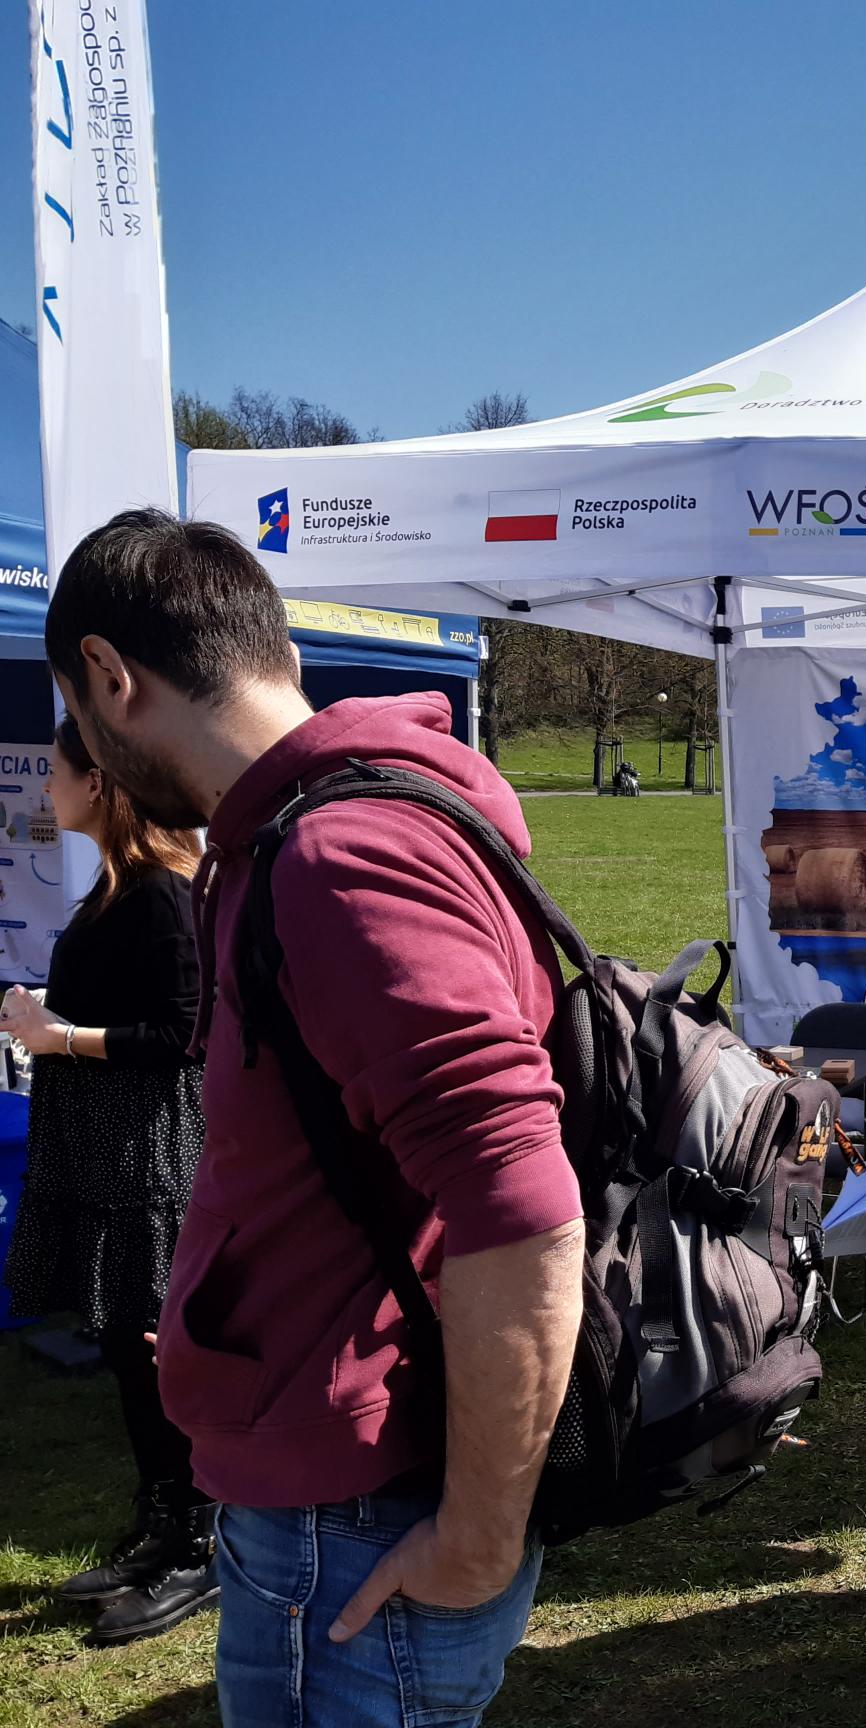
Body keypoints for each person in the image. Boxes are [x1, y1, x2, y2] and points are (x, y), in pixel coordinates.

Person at [44, 508, 584, 1727]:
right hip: (344, 1487)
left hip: (354, 1531)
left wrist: (478, 1541)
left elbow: (523, 1213)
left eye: (74, 720)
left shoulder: (339, 856)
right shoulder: (312, 831)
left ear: (108, 677)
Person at [0, 716, 210, 1644]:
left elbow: (184, 1037)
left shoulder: (166, 891)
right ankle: (163, 1524)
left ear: (103, 786)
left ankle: (202, 1544)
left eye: (58, 773)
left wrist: (59, 1037)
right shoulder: (118, 888)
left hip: (144, 1158)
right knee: (129, 1346)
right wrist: (49, 1013)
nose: (47, 788)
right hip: (102, 1149)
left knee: (160, 1349)